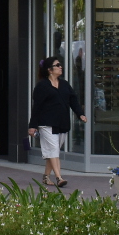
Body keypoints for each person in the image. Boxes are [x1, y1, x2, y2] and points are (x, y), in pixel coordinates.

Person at [28, 56, 85, 188]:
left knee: (53, 152)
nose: (61, 67)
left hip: (62, 123)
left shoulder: (64, 84)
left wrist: (80, 114)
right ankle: (59, 178)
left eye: (61, 64)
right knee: (53, 150)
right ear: (49, 70)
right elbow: (37, 106)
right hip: (46, 123)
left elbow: (73, 100)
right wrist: (32, 126)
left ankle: (46, 176)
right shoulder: (42, 86)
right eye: (57, 65)